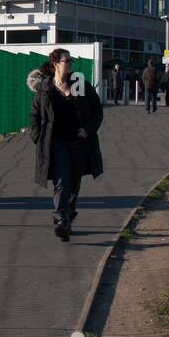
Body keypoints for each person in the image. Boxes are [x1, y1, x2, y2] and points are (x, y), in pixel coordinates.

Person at [28, 49, 104, 241]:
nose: (70, 64)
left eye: (71, 61)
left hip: (78, 142)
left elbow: (97, 111)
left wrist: (87, 129)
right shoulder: (45, 89)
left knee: (74, 184)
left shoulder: (80, 85)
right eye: (66, 60)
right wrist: (37, 136)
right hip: (56, 143)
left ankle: (67, 217)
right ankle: (61, 218)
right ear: (56, 64)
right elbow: (35, 115)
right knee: (61, 182)